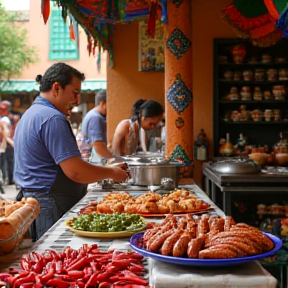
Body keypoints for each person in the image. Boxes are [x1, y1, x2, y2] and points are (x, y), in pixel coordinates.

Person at [14, 63, 128, 241]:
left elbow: (68, 163)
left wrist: (105, 168)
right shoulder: (52, 118)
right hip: (49, 204)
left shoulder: (31, 114)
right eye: (74, 93)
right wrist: (112, 173)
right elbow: (75, 171)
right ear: (56, 88)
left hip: (38, 202)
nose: (77, 101)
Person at [81, 89, 113, 163]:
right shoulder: (95, 118)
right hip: (95, 162)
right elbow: (98, 146)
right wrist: (113, 159)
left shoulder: (92, 115)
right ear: (103, 104)